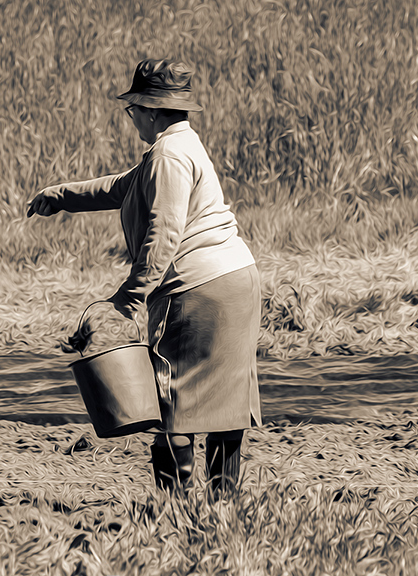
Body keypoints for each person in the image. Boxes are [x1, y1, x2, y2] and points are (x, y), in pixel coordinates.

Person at [27, 59, 262, 495]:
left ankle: (177, 506)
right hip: (235, 280)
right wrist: (60, 196)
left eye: (131, 107)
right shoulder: (181, 146)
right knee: (226, 406)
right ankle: (223, 507)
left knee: (172, 399)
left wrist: (129, 298)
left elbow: (165, 233)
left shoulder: (170, 156)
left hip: (198, 291)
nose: (130, 116)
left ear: (150, 110)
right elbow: (121, 187)